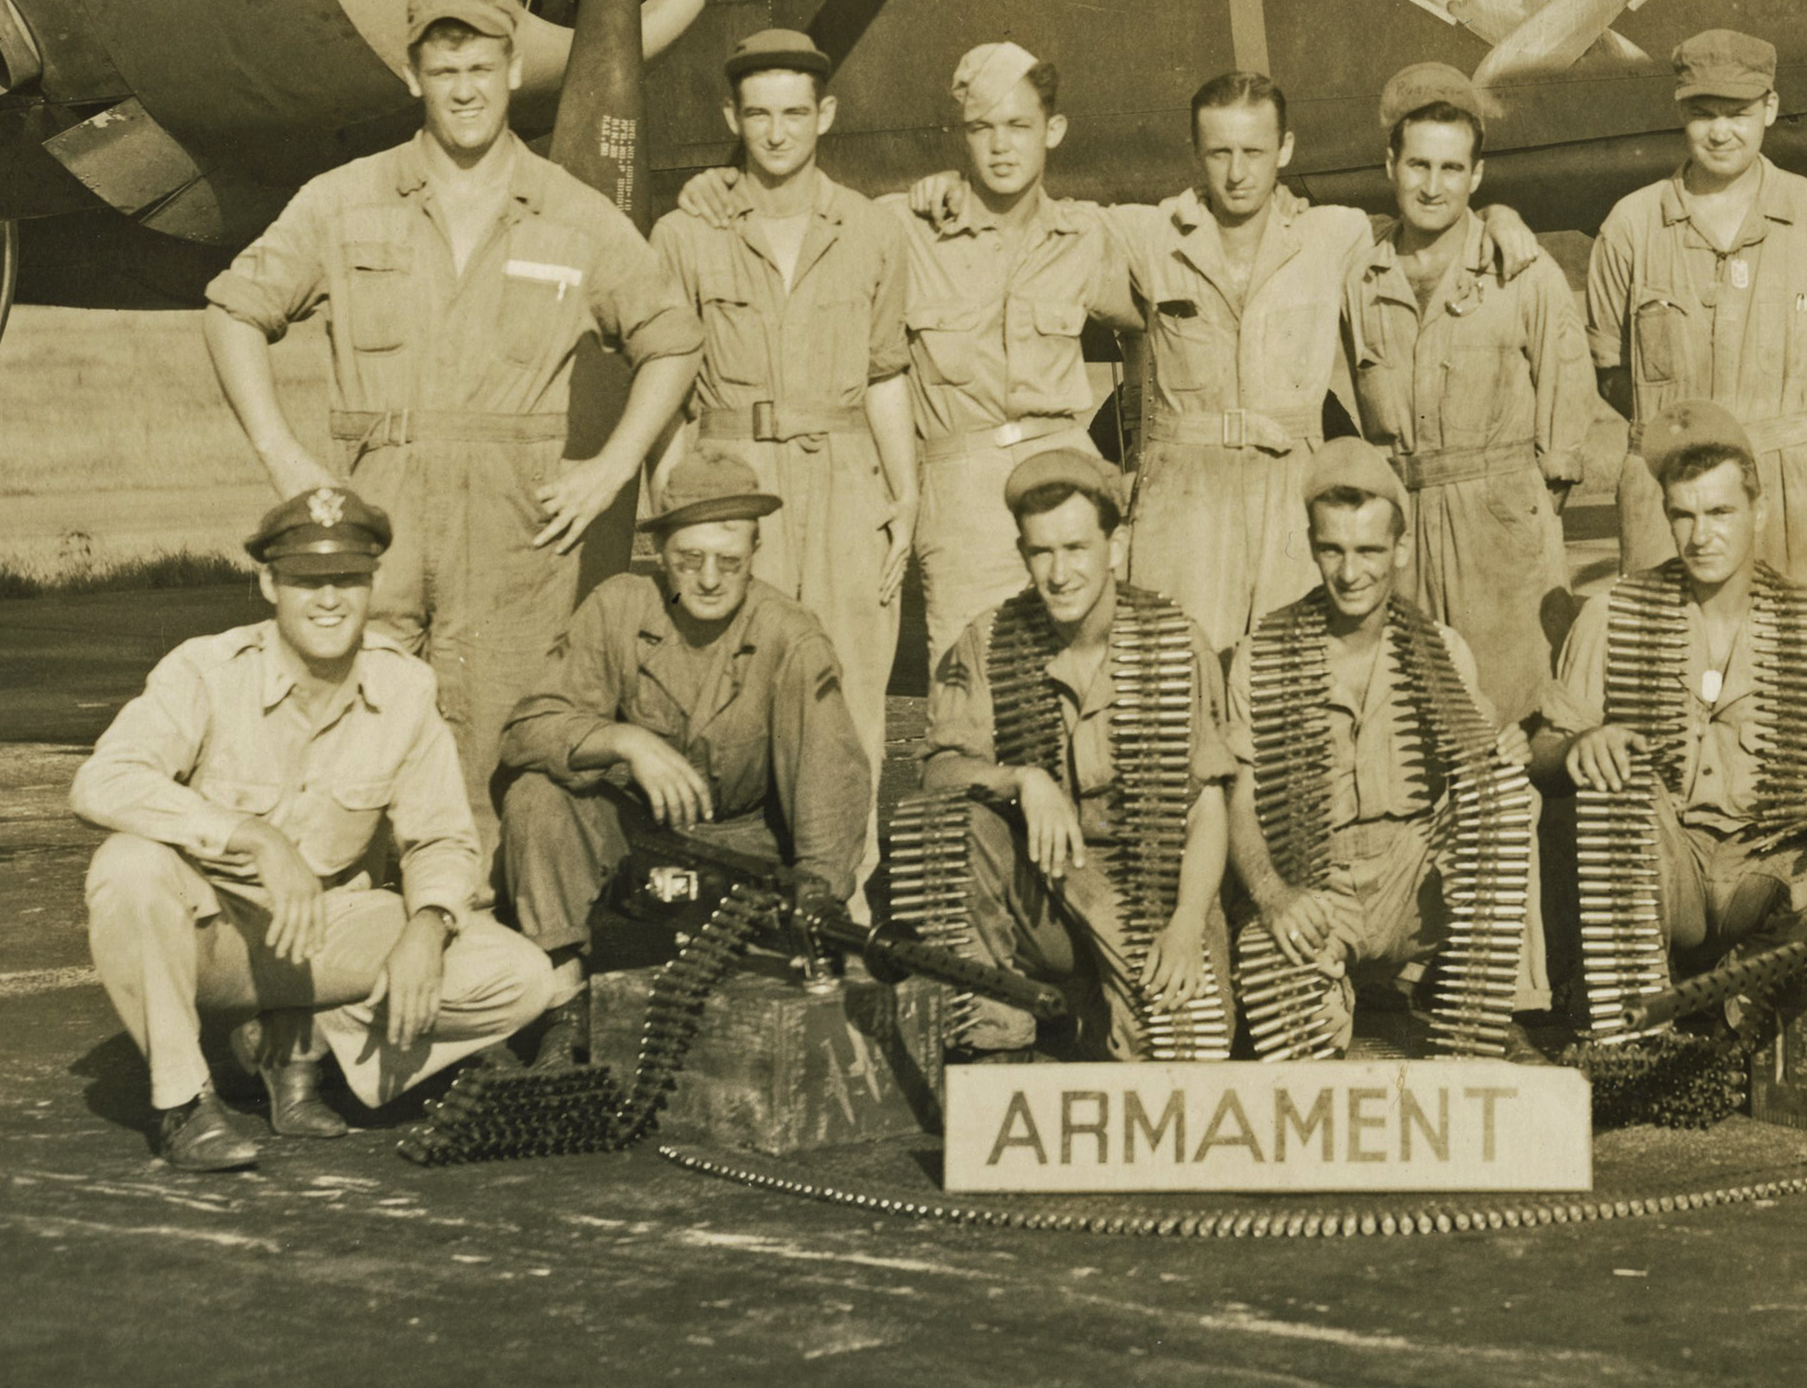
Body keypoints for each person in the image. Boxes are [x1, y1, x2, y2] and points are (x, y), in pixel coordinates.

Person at [203, 0, 700, 848]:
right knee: (345, 720)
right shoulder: (342, 200)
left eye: (480, 65)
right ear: (412, 78)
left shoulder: (572, 214)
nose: (464, 87)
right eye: (444, 70)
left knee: (501, 741)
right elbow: (233, 309)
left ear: (512, 72)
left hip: (518, 529)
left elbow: (672, 338)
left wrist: (614, 467)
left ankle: (479, 943)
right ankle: (349, 925)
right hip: (376, 514)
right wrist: (284, 458)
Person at [73, 485, 561, 1171]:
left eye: (348, 579)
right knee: (127, 867)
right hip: (218, 938)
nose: (329, 599)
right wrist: (250, 834)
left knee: (519, 978)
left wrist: (428, 926)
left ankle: (302, 1042)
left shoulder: (405, 688)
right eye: (307, 580)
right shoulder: (207, 671)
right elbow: (101, 780)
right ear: (269, 582)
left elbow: (442, 837)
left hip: (330, 935)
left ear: (373, 584)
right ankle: (185, 1102)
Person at [493, 447, 874, 1043]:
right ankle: (562, 1010)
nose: (710, 578)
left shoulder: (790, 637)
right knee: (537, 798)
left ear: (755, 553)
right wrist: (622, 739)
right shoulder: (618, 605)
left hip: (744, 846)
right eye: (689, 558)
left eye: (729, 559)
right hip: (637, 836)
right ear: (661, 554)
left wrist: (817, 907)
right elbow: (527, 730)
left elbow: (829, 789)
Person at [1519, 401, 1807, 1000]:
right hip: (1667, 869)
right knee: (1615, 801)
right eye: (1683, 515)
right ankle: (1632, 1026)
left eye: (1720, 511)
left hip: (1771, 869)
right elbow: (1538, 753)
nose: (1701, 536)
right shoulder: (1612, 616)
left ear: (1759, 511)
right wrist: (1579, 749)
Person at [1219, 438, 1542, 1057]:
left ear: (1400, 549)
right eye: (1332, 549)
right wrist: (1274, 896)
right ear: (1312, 547)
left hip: (1410, 876)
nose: (1349, 572)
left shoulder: (1441, 650)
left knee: (1509, 794)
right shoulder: (1263, 656)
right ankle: (1333, 1001)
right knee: (1289, 1029)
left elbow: (1478, 775)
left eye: (1369, 550)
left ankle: (1489, 1010)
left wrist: (1500, 755)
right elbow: (1242, 800)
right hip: (1317, 882)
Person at [650, 27, 915, 771]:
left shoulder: (872, 231)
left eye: (794, 113)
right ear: (732, 118)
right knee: (734, 686)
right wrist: (671, 507)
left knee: (851, 685)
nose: (776, 132)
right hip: (731, 479)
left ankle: (847, 887)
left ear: (824, 115)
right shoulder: (684, 233)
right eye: (759, 114)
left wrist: (907, 494)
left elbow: (887, 372)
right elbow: (668, 385)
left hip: (844, 481)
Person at [918, 448, 1236, 1060]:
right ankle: (995, 1047)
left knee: (1179, 1068)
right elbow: (938, 772)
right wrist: (1021, 778)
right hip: (1045, 898)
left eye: (1076, 549)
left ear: (1115, 548)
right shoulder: (988, 642)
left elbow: (1207, 810)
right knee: (956, 825)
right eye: (1041, 552)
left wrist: (1187, 924)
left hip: (1155, 896)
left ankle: (1098, 1013)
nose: (1059, 574)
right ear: (1022, 555)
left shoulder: (1176, 644)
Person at [1343, 63, 1600, 725]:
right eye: (1418, 165)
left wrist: (1531, 500)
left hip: (1501, 524)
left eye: (1452, 169)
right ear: (1390, 164)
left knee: (1522, 708)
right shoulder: (1359, 276)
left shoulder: (1518, 265)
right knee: (1414, 713)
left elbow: (1569, 383)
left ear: (1477, 176)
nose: (1433, 187)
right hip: (1401, 521)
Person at [1585, 29, 1807, 606]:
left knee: (1798, 669)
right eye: (1702, 113)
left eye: (1738, 112)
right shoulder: (1631, 226)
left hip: (1790, 497)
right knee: (1663, 669)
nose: (1720, 131)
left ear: (1770, 107)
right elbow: (1613, 373)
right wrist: (1679, 436)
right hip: (1669, 498)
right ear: (1680, 113)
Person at [889, 41, 1144, 667]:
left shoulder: (1086, 237)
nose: (1001, 146)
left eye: (1018, 126)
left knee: (1089, 682)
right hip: (962, 492)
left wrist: (1143, 445)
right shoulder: (905, 230)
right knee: (968, 684)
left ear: (1052, 130)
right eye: (983, 128)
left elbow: (1161, 319)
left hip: (1068, 481)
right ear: (962, 135)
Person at [1114, 72, 1378, 651]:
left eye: (1254, 152)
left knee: (1290, 683)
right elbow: (1042, 227)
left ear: (1285, 148)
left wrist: (1503, 219)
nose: (1237, 173)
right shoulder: (1146, 236)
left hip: (1293, 490)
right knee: (1176, 678)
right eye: (1219, 152)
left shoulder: (1334, 235)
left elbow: (1418, 244)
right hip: (1185, 495)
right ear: (1195, 152)